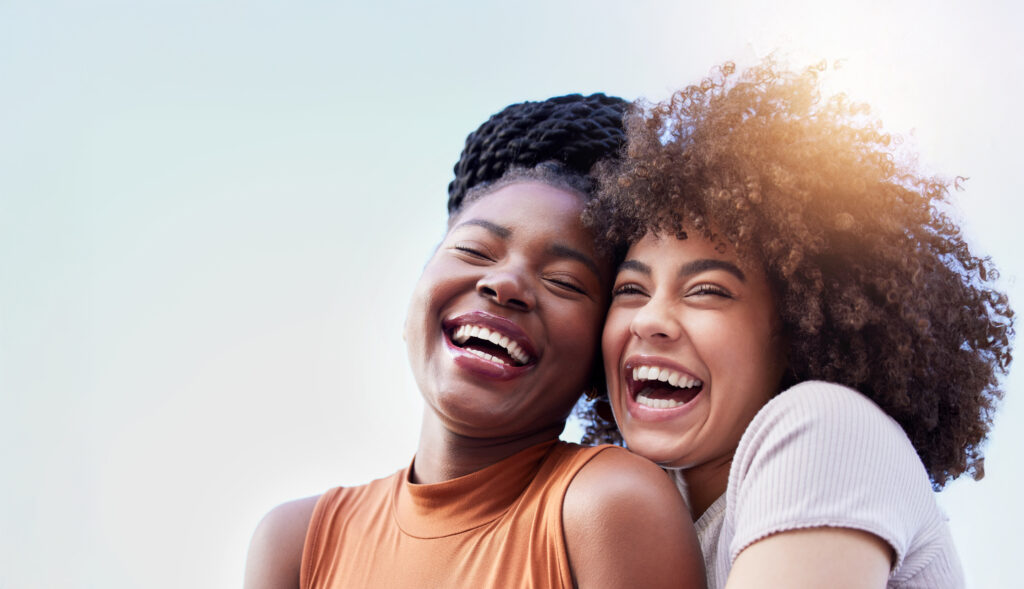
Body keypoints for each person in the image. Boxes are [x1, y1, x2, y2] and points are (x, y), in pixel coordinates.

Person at [244, 94, 705, 589]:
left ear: (596, 362)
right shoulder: (297, 542)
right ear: (416, 294)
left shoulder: (608, 505)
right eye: (473, 250)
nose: (505, 284)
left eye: (565, 281)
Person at [581, 61, 1014, 588]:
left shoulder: (826, 427)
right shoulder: (643, 502)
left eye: (708, 291)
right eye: (631, 290)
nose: (650, 320)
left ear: (800, 331)